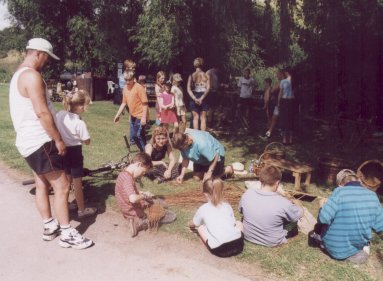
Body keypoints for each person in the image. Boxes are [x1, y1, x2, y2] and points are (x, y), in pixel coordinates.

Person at [9, 38, 92, 249]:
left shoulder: (18, 75)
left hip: (27, 141)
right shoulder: (31, 76)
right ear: (38, 53)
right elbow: (42, 112)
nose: (47, 62)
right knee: (62, 184)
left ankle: (49, 225)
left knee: (41, 183)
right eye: (47, 57)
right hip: (41, 141)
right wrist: (57, 139)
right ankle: (67, 232)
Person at [317, 169, 383, 264]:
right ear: (359, 180)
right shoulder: (373, 196)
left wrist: (321, 206)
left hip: (333, 248)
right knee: (364, 245)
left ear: (340, 184)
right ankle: (356, 252)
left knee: (324, 219)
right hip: (355, 249)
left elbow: (323, 219)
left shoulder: (339, 192)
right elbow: (380, 227)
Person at [56, 89, 97, 219]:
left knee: (66, 180)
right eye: (85, 106)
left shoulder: (60, 114)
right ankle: (81, 210)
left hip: (62, 151)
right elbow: (87, 141)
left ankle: (66, 205)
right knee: (77, 182)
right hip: (75, 153)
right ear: (79, 106)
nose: (85, 109)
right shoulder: (80, 123)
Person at [239, 165, 303, 247]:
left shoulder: (248, 193)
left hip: (247, 236)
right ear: (277, 182)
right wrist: (298, 204)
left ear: (260, 180)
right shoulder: (283, 202)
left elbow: (241, 211)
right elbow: (299, 214)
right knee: (293, 220)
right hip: (272, 241)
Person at [188, 178, 244, 257]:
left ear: (205, 194)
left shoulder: (203, 208)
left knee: (201, 228)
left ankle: (206, 243)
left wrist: (189, 224)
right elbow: (233, 223)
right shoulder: (227, 205)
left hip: (219, 250)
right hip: (238, 245)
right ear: (221, 191)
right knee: (239, 223)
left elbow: (193, 224)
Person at [114, 152, 154, 237]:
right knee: (155, 206)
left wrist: (140, 192)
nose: (142, 175)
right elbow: (133, 199)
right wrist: (145, 195)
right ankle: (137, 222)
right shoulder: (128, 179)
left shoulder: (123, 174)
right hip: (131, 209)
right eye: (143, 172)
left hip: (124, 207)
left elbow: (127, 192)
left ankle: (133, 219)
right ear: (139, 164)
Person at [114, 70, 149, 152]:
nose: (127, 82)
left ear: (134, 79)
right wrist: (117, 115)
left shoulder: (139, 88)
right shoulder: (125, 88)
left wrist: (144, 118)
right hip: (133, 115)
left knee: (139, 135)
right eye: (126, 80)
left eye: (129, 79)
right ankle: (143, 151)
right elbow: (123, 103)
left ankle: (146, 154)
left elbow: (145, 103)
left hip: (141, 115)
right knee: (134, 136)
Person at [187, 57, 210, 131]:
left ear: (194, 65)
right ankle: (203, 137)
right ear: (202, 64)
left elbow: (188, 89)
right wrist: (202, 98)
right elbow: (208, 88)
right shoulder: (206, 75)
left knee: (195, 118)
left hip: (194, 96)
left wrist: (194, 98)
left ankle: (197, 138)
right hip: (204, 96)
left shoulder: (191, 75)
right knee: (203, 118)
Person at [278, 69, 294, 144]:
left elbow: (280, 93)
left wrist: (278, 102)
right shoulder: (293, 81)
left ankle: (286, 139)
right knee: (290, 119)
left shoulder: (284, 81)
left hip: (285, 101)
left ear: (286, 72)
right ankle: (289, 139)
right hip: (290, 101)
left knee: (284, 119)